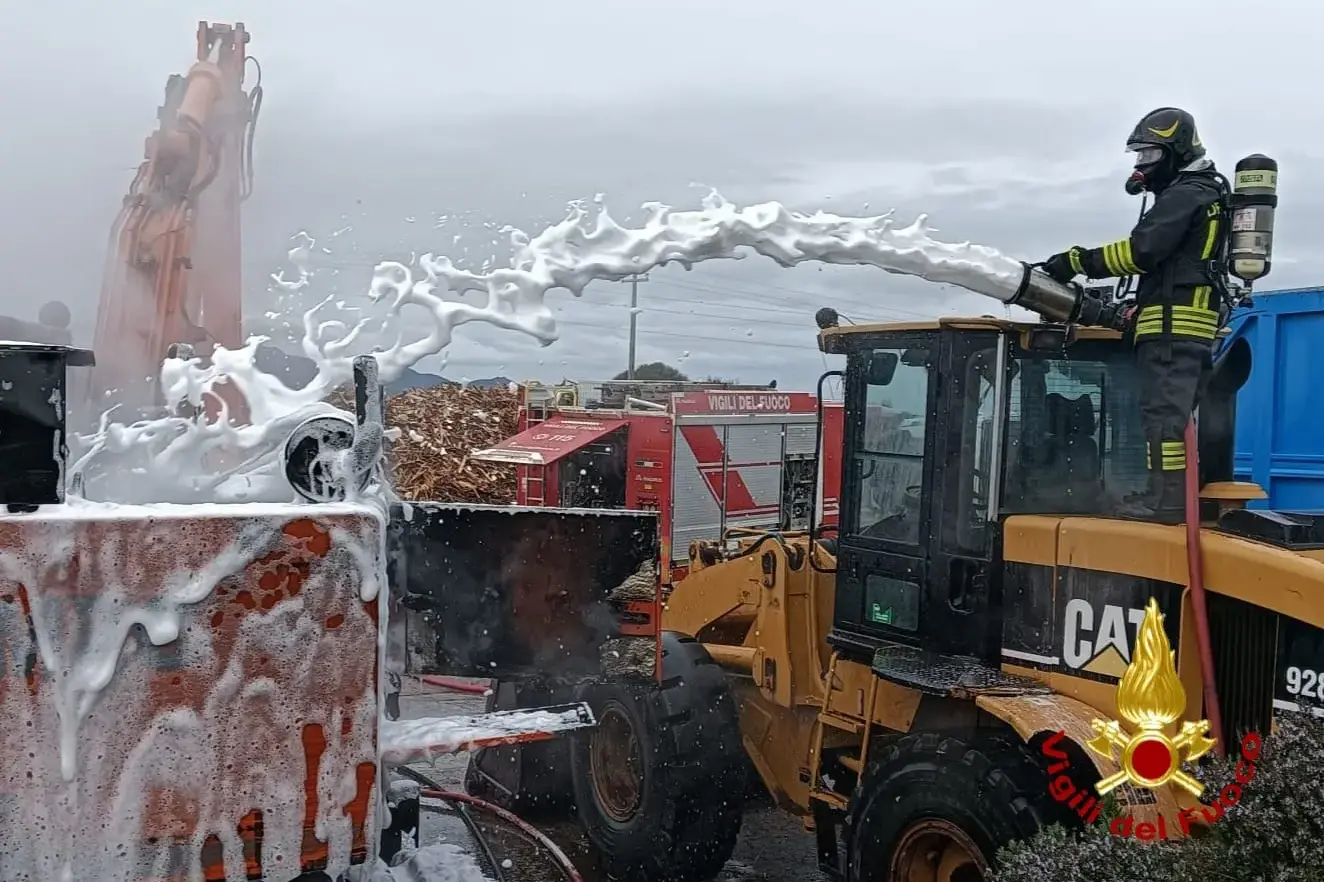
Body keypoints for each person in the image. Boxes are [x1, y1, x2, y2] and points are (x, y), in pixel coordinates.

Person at [1040, 107, 1230, 524]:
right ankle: (1163, 495)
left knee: (1162, 421)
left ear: (1176, 151)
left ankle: (1166, 504)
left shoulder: (1187, 194)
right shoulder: (1201, 192)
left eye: (1149, 156)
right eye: (1138, 158)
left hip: (1172, 328)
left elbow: (1140, 251)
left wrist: (1076, 260)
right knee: (1165, 421)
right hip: (1181, 326)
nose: (1142, 167)